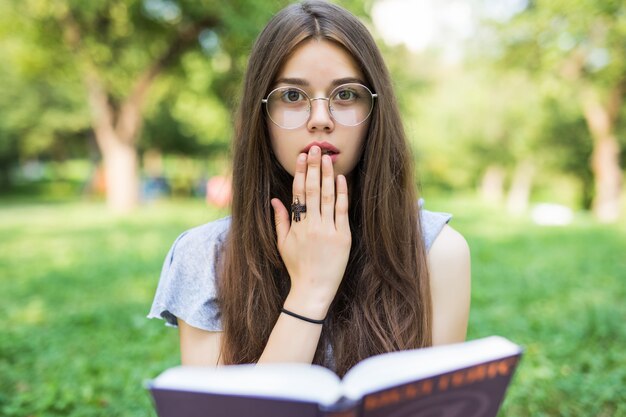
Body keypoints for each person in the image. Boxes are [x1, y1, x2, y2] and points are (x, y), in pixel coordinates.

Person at [148, 0, 470, 377]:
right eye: (292, 96)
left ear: (376, 112)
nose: (320, 119)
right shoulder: (206, 257)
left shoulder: (437, 253)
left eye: (346, 95)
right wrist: (309, 292)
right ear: (261, 116)